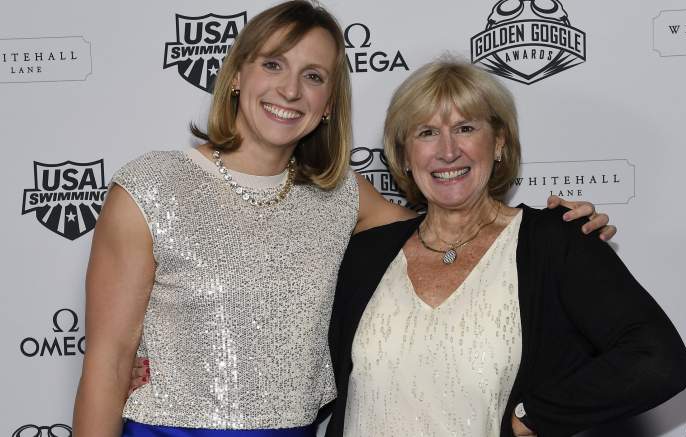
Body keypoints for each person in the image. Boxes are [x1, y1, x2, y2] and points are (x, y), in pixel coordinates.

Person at [73, 2, 615, 436]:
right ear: (237, 74)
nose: (289, 90)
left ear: (329, 102)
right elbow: (108, 361)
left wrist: (553, 235)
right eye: (272, 64)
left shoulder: (341, 197)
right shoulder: (152, 186)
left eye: (313, 76)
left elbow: (459, 228)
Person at [324, 59, 686, 437]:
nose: (448, 151)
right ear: (403, 154)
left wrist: (530, 418)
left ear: (498, 141)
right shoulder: (366, 255)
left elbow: (658, 361)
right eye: (427, 132)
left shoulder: (554, 241)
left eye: (465, 128)